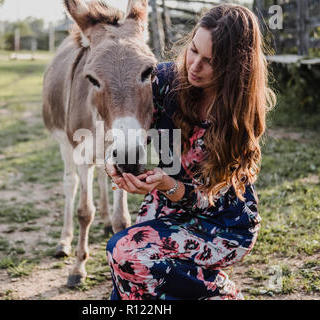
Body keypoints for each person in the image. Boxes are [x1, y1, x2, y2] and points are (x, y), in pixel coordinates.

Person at [105, 4, 276, 300]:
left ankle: (219, 293)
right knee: (130, 270)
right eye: (194, 50)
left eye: (210, 61)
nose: (194, 65)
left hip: (222, 222)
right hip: (168, 206)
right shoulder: (163, 81)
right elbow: (131, 131)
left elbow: (208, 199)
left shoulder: (236, 115)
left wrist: (165, 184)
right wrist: (115, 161)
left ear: (233, 68)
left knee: (125, 253)